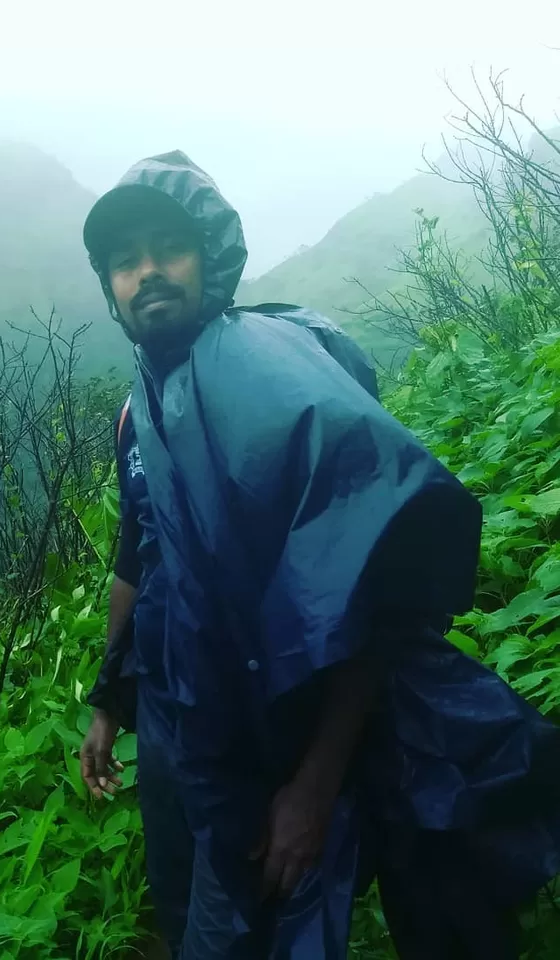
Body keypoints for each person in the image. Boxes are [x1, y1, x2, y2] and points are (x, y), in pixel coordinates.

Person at [78, 150, 560, 959]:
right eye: (125, 262)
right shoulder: (139, 410)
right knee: (183, 901)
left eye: (169, 248)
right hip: (173, 717)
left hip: (271, 723)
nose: (148, 272)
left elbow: (366, 588)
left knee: (258, 923)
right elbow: (139, 553)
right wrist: (107, 698)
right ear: (110, 289)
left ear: (213, 258)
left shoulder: (274, 380)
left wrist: (312, 782)